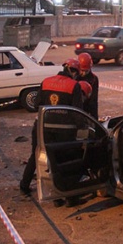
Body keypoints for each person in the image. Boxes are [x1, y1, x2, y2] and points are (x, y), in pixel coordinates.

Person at [20, 59, 84, 202]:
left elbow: (37, 105)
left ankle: (24, 186)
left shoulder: (46, 81)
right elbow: (77, 112)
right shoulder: (74, 86)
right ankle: (68, 198)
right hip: (64, 132)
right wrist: (84, 128)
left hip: (42, 128)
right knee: (64, 163)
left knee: (36, 156)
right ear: (73, 71)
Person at [77, 52, 99, 119]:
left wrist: (95, 119)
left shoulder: (94, 79)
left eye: (86, 71)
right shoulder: (74, 76)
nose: (83, 73)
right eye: (82, 70)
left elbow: (94, 101)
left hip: (86, 110)